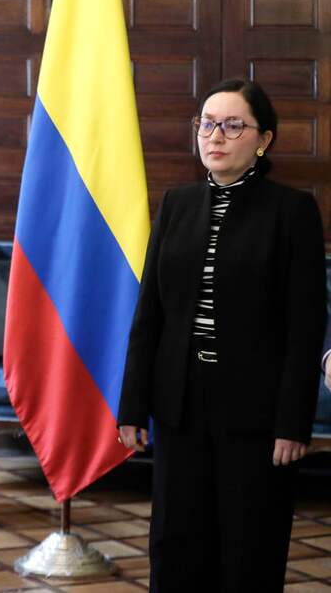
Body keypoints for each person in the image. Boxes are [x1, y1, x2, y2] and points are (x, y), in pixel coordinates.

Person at [116, 78, 326, 592]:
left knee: (249, 546)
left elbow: (305, 325)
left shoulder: (291, 211)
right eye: (207, 123)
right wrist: (131, 406)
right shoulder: (176, 204)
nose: (216, 135)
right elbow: (150, 315)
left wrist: (293, 422)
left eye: (234, 125)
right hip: (179, 404)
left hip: (256, 414)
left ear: (264, 139)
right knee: (175, 541)